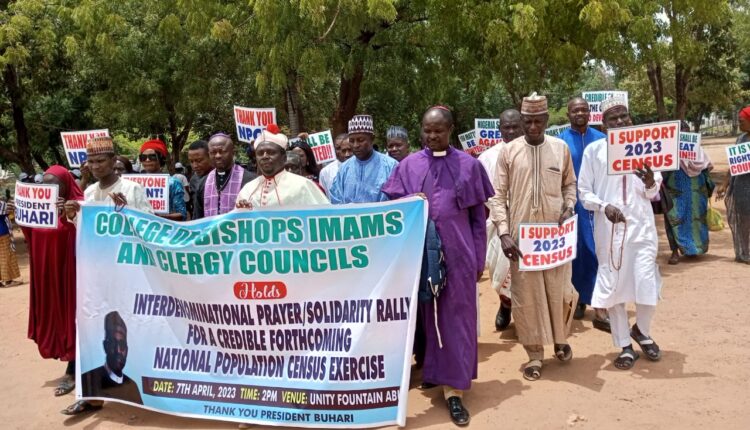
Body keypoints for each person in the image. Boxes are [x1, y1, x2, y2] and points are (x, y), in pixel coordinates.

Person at [383, 106, 493, 427]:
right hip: (418, 255)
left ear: (450, 130)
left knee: (456, 321)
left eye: (438, 131)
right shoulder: (408, 165)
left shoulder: (470, 166)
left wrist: (478, 259)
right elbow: (392, 209)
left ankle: (455, 391)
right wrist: (408, 202)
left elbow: (478, 220)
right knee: (423, 319)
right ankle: (431, 371)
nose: (432, 136)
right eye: (427, 130)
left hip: (459, 257)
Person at [488, 93, 578, 381]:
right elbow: (498, 196)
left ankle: (560, 340)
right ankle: (535, 354)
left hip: (555, 238)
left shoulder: (560, 149)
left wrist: (568, 207)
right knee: (526, 297)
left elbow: (570, 185)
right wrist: (504, 233)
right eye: (528, 121)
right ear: (522, 121)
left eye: (539, 121)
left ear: (547, 120)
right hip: (521, 238)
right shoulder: (509, 152)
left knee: (559, 291)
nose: (533, 127)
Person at [62, 136, 151, 415]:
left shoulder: (132, 189)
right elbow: (86, 231)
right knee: (91, 326)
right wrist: (73, 215)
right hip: (96, 274)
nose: (96, 166)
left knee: (130, 330)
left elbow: (150, 226)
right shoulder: (89, 193)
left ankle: (144, 389)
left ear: (113, 160)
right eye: (91, 162)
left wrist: (127, 213)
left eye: (101, 160)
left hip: (127, 273)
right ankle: (91, 395)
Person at [578, 96, 664, 370]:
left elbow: (654, 190)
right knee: (613, 288)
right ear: (603, 124)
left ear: (630, 119)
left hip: (642, 228)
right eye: (612, 118)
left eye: (623, 116)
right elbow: (584, 192)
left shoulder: (646, 147)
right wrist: (604, 206)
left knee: (647, 283)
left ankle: (642, 330)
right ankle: (625, 345)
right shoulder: (594, 151)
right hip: (610, 229)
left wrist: (649, 182)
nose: (619, 121)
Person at [8, 166, 82, 396]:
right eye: (46, 184)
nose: (50, 188)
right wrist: (20, 214)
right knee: (56, 316)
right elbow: (31, 236)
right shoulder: (41, 209)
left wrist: (71, 214)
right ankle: (68, 359)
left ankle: (74, 368)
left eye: (55, 184)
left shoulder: (79, 204)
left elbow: (86, 233)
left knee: (72, 316)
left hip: (70, 273)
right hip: (46, 273)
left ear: (66, 185)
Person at [559, 97, 608, 326]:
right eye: (575, 110)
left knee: (597, 251)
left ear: (590, 113)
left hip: (598, 204)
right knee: (575, 253)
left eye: (584, 110)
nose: (580, 113)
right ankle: (577, 299)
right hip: (571, 206)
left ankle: (599, 301)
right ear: (568, 114)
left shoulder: (602, 139)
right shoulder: (560, 142)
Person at [478, 109, 523, 331]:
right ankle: (505, 305)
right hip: (498, 223)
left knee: (527, 272)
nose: (511, 131)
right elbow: (485, 194)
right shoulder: (487, 158)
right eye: (507, 127)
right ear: (500, 129)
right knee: (500, 270)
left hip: (529, 222)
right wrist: (503, 212)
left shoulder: (534, 151)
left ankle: (526, 317)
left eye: (516, 126)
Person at [236, 126, 329, 208]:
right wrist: (242, 211)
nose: (265, 156)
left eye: (271, 152)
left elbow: (324, 217)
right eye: (260, 153)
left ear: (284, 157)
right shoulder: (247, 190)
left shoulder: (303, 186)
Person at [662, 121, 714, 265]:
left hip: (696, 192)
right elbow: (662, 171)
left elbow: (707, 169)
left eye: (686, 132)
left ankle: (693, 249)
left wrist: (708, 187)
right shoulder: (668, 151)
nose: (684, 135)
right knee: (673, 219)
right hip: (675, 192)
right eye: (680, 132)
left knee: (695, 220)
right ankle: (674, 251)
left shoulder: (698, 151)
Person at [330, 114, 397, 204]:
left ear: (372, 139)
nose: (355, 145)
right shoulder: (344, 169)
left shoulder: (391, 166)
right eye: (352, 141)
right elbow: (336, 200)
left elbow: (398, 200)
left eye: (360, 140)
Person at [79, 311, 143, 405]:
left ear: (127, 349)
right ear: (105, 346)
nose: (118, 350)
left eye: (122, 344)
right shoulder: (88, 379)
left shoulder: (132, 386)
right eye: (113, 343)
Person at [193, 133, 255, 219]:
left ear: (233, 152)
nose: (217, 156)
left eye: (222, 151)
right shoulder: (203, 183)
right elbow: (197, 219)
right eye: (213, 152)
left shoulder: (251, 180)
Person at [717, 106, 750, 263]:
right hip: (741, 187)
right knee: (743, 221)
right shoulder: (741, 139)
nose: (739, 124)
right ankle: (744, 252)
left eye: (742, 121)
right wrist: (724, 184)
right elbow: (733, 164)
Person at [138, 139, 186, 221]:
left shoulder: (173, 183)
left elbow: (182, 214)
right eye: (143, 157)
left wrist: (160, 217)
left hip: (164, 227)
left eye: (152, 157)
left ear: (161, 159)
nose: (147, 160)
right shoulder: (134, 183)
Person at [318, 133, 352, 198]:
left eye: (349, 150)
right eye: (338, 148)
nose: (347, 154)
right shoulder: (325, 172)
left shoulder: (361, 167)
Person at [187, 139, 213, 219]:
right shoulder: (194, 180)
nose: (195, 166)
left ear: (210, 156)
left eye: (199, 161)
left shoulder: (220, 176)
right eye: (191, 161)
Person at [0, 197, 20, 287]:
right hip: (3, 232)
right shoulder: (2, 204)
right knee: (6, 256)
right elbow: (10, 211)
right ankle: (8, 281)